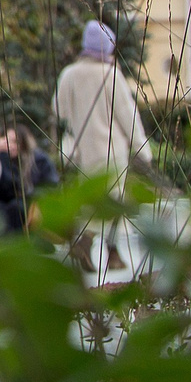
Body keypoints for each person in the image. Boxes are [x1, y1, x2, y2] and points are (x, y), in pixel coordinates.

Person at [53, 20, 149, 274]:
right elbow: (128, 116)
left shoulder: (69, 74)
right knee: (115, 203)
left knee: (90, 200)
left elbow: (58, 110)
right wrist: (142, 149)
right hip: (110, 151)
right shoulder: (111, 75)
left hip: (80, 152)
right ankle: (98, 247)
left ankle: (105, 250)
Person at [0, 123, 57, 236]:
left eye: (15, 142)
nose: (11, 146)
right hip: (0, 205)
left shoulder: (39, 160)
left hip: (28, 205)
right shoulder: (1, 158)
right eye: (7, 141)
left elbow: (50, 184)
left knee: (17, 209)